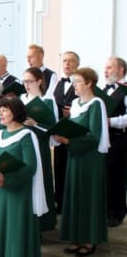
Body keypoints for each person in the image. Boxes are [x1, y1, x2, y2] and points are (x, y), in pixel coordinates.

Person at [53, 67, 109, 255]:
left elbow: (94, 135)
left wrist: (69, 140)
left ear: (89, 83)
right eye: (73, 81)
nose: (74, 85)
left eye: (77, 82)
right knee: (75, 196)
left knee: (88, 198)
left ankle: (89, 240)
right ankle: (76, 238)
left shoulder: (96, 104)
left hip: (90, 159)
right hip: (75, 156)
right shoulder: (76, 104)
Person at [0, 96, 47, 257]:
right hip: (2, 193)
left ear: (15, 112)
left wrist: (6, 179)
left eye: (4, 110)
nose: (0, 114)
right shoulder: (0, 134)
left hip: (19, 194)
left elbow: (30, 167)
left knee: (16, 233)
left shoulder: (26, 135)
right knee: (2, 231)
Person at [20, 67, 58, 232]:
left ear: (39, 81)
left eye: (30, 81)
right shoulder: (20, 100)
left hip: (39, 147)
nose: (27, 85)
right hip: (21, 146)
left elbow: (54, 128)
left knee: (40, 181)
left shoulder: (48, 102)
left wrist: (36, 124)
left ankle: (41, 224)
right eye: (25, 81)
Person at [53, 51, 80, 213]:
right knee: (59, 166)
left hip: (73, 132)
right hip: (59, 131)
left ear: (77, 64)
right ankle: (61, 201)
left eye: (70, 61)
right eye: (64, 61)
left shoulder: (80, 83)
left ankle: (72, 203)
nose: (67, 64)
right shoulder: (58, 83)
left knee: (71, 168)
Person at [103, 57, 127, 227]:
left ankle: (117, 212)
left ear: (121, 70)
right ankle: (106, 209)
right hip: (104, 139)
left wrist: (109, 121)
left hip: (119, 138)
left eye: (110, 67)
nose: (106, 70)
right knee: (106, 176)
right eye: (105, 67)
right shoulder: (104, 89)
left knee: (117, 176)